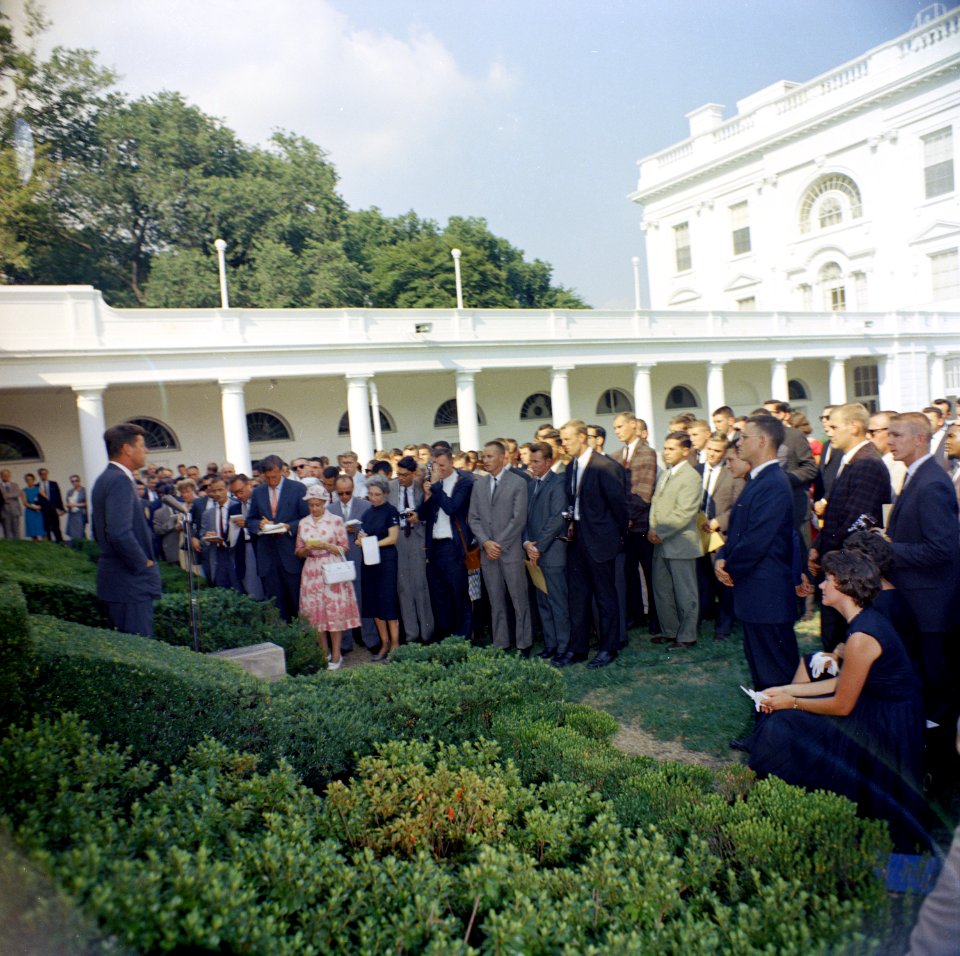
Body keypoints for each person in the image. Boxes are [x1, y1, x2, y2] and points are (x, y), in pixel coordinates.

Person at [747, 551, 929, 853]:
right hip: (878, 710)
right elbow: (842, 683)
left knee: (783, 724)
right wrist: (785, 690)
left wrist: (789, 702)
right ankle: (779, 805)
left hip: (885, 725)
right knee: (782, 720)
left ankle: (777, 806)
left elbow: (842, 705)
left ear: (845, 586)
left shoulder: (862, 636)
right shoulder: (863, 621)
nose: (820, 586)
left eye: (827, 580)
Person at [716, 414, 801, 690]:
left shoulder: (773, 483)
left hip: (768, 597)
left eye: (744, 437)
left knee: (775, 673)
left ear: (762, 441)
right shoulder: (759, 480)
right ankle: (768, 729)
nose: (738, 443)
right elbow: (740, 531)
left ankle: (781, 730)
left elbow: (756, 541)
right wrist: (722, 557)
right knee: (762, 671)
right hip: (757, 596)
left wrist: (729, 567)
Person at [886, 412, 960, 726]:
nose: (889, 441)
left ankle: (941, 765)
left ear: (919, 439)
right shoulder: (919, 474)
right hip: (919, 603)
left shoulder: (931, 482)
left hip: (932, 609)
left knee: (937, 690)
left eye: (897, 435)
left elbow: (942, 549)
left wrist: (888, 549)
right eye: (889, 434)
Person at [809, 402, 891, 651]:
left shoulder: (867, 463)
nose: (829, 432)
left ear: (854, 426)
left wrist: (830, 553)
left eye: (834, 426)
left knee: (841, 640)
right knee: (833, 636)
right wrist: (817, 546)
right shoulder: (851, 460)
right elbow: (836, 513)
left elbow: (859, 520)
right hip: (840, 562)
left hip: (850, 569)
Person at [555, 419, 628, 669]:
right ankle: (578, 649)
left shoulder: (605, 466)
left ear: (582, 438)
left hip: (600, 542)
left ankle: (609, 648)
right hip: (576, 541)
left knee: (605, 597)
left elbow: (620, 508)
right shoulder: (571, 466)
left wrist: (614, 538)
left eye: (567, 439)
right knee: (578, 597)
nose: (563, 444)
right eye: (561, 440)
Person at [91, 423, 163, 637]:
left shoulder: (106, 478)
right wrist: (142, 563)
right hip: (129, 584)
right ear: (127, 449)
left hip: (119, 583)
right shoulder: (119, 480)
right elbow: (118, 532)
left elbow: (99, 532)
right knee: (142, 652)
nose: (146, 450)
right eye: (142, 445)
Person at [468, 440, 531, 656]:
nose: (484, 460)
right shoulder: (479, 485)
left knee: (518, 598)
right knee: (495, 599)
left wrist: (498, 544)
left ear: (502, 457)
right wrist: (486, 542)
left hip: (510, 551)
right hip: (488, 553)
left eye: (489, 456)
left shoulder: (517, 482)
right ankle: (501, 643)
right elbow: (473, 518)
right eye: (483, 456)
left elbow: (518, 519)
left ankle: (524, 643)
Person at [295, 484, 359, 670]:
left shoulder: (336, 520)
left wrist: (327, 546)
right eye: (311, 505)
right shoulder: (303, 523)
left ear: (325, 503)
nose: (315, 508)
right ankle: (324, 652)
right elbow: (298, 551)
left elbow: (345, 547)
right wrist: (306, 550)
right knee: (316, 613)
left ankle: (337, 654)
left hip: (332, 568)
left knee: (334, 611)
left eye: (318, 505)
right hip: (311, 570)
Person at [648, 431, 703, 649]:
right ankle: (670, 630)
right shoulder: (666, 475)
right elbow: (655, 503)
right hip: (660, 542)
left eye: (672, 449)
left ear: (685, 451)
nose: (666, 453)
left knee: (685, 592)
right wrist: (653, 528)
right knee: (662, 589)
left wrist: (659, 531)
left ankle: (687, 635)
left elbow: (684, 513)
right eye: (665, 448)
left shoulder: (691, 477)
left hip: (681, 544)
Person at [417, 445, 475, 641]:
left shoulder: (463, 482)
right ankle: (445, 637)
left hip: (453, 546)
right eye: (435, 466)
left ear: (451, 463)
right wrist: (427, 495)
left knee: (459, 593)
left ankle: (463, 637)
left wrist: (436, 488)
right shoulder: (433, 483)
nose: (439, 470)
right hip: (434, 546)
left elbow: (451, 508)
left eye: (442, 466)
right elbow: (422, 515)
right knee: (439, 596)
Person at [523, 441, 571, 661]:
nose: (531, 465)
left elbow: (555, 521)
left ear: (548, 462)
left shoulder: (558, 483)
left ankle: (563, 646)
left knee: (557, 602)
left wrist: (539, 547)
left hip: (552, 554)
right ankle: (551, 644)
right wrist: (527, 544)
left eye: (536, 461)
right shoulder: (531, 485)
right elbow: (525, 519)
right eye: (530, 461)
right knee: (543, 601)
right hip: (534, 553)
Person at [247, 454, 309, 622]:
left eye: (274, 476)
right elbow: (250, 520)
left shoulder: (297, 489)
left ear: (282, 471)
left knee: (298, 602)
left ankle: (304, 641)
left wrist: (289, 527)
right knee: (276, 606)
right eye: (267, 477)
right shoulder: (258, 492)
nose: (271, 480)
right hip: (268, 557)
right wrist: (258, 524)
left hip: (291, 555)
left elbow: (307, 518)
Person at [388, 456, 434, 644]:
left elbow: (431, 512)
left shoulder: (422, 487)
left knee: (421, 586)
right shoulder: (390, 488)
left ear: (413, 474)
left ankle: (427, 633)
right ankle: (411, 635)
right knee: (404, 588)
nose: (401, 478)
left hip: (417, 538)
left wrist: (420, 518)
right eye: (398, 474)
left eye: (405, 475)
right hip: (398, 538)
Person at [357, 474, 401, 661]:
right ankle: (384, 642)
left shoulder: (391, 511)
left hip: (386, 561)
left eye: (377, 494)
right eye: (371, 494)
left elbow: (393, 538)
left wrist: (371, 543)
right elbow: (361, 534)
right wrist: (360, 540)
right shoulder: (367, 513)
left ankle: (396, 643)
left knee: (388, 601)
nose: (373, 498)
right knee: (374, 603)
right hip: (369, 562)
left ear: (385, 494)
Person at [36, 467, 64, 543]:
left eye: (45, 473)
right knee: (46, 528)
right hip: (43, 510)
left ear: (47, 474)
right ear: (39, 475)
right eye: (42, 474)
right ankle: (49, 545)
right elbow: (36, 499)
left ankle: (60, 544)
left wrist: (61, 509)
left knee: (56, 528)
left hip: (53, 509)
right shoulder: (37, 486)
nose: (44, 475)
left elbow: (58, 497)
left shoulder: (53, 484)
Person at [21, 473, 45, 540]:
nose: (29, 481)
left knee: (43, 530)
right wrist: (33, 507)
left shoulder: (39, 489)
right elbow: (25, 503)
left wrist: (40, 506)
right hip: (30, 512)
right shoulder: (24, 491)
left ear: (34, 480)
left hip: (39, 512)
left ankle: (46, 547)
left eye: (31, 479)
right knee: (33, 531)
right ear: (26, 481)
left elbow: (45, 499)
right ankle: (35, 545)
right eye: (27, 480)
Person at [64, 474, 87, 543]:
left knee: (80, 532)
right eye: (72, 481)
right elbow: (67, 503)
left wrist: (74, 504)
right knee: (72, 532)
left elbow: (86, 503)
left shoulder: (84, 490)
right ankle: (75, 547)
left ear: (79, 481)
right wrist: (69, 505)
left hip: (80, 514)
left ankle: (82, 545)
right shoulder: (70, 492)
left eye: (76, 481)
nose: (74, 482)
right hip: (72, 514)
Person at [1, 469, 23, 538]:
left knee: (16, 530)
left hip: (15, 511)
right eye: (4, 475)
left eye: (7, 475)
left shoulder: (15, 485)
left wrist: (5, 496)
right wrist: (10, 496)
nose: (6, 476)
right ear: (1, 476)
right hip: (4, 511)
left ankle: (18, 545)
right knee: (7, 531)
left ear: (10, 476)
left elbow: (17, 494)